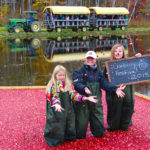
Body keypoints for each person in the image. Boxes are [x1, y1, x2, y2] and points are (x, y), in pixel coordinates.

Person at [72, 51, 125, 139]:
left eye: (92, 58)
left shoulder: (100, 73)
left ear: (95, 60)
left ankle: (96, 130)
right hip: (83, 102)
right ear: (85, 59)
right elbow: (77, 83)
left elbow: (105, 84)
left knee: (100, 133)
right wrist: (84, 88)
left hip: (96, 102)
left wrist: (115, 89)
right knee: (79, 134)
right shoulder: (78, 71)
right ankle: (80, 130)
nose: (90, 60)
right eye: (88, 58)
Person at [44, 65, 98, 147]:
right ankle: (55, 139)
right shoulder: (52, 86)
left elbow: (73, 94)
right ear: (55, 76)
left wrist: (85, 98)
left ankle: (69, 137)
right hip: (56, 110)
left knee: (69, 123)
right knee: (57, 125)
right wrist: (56, 104)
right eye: (60, 75)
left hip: (67, 109)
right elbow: (53, 96)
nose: (62, 77)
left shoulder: (68, 85)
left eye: (63, 75)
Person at [103, 43, 141, 131]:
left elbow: (139, 69)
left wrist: (138, 59)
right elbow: (104, 79)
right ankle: (113, 125)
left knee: (128, 106)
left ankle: (125, 124)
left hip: (127, 89)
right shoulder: (108, 64)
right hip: (114, 91)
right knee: (114, 108)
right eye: (115, 51)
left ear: (123, 53)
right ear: (112, 53)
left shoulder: (129, 62)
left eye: (120, 51)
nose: (117, 53)